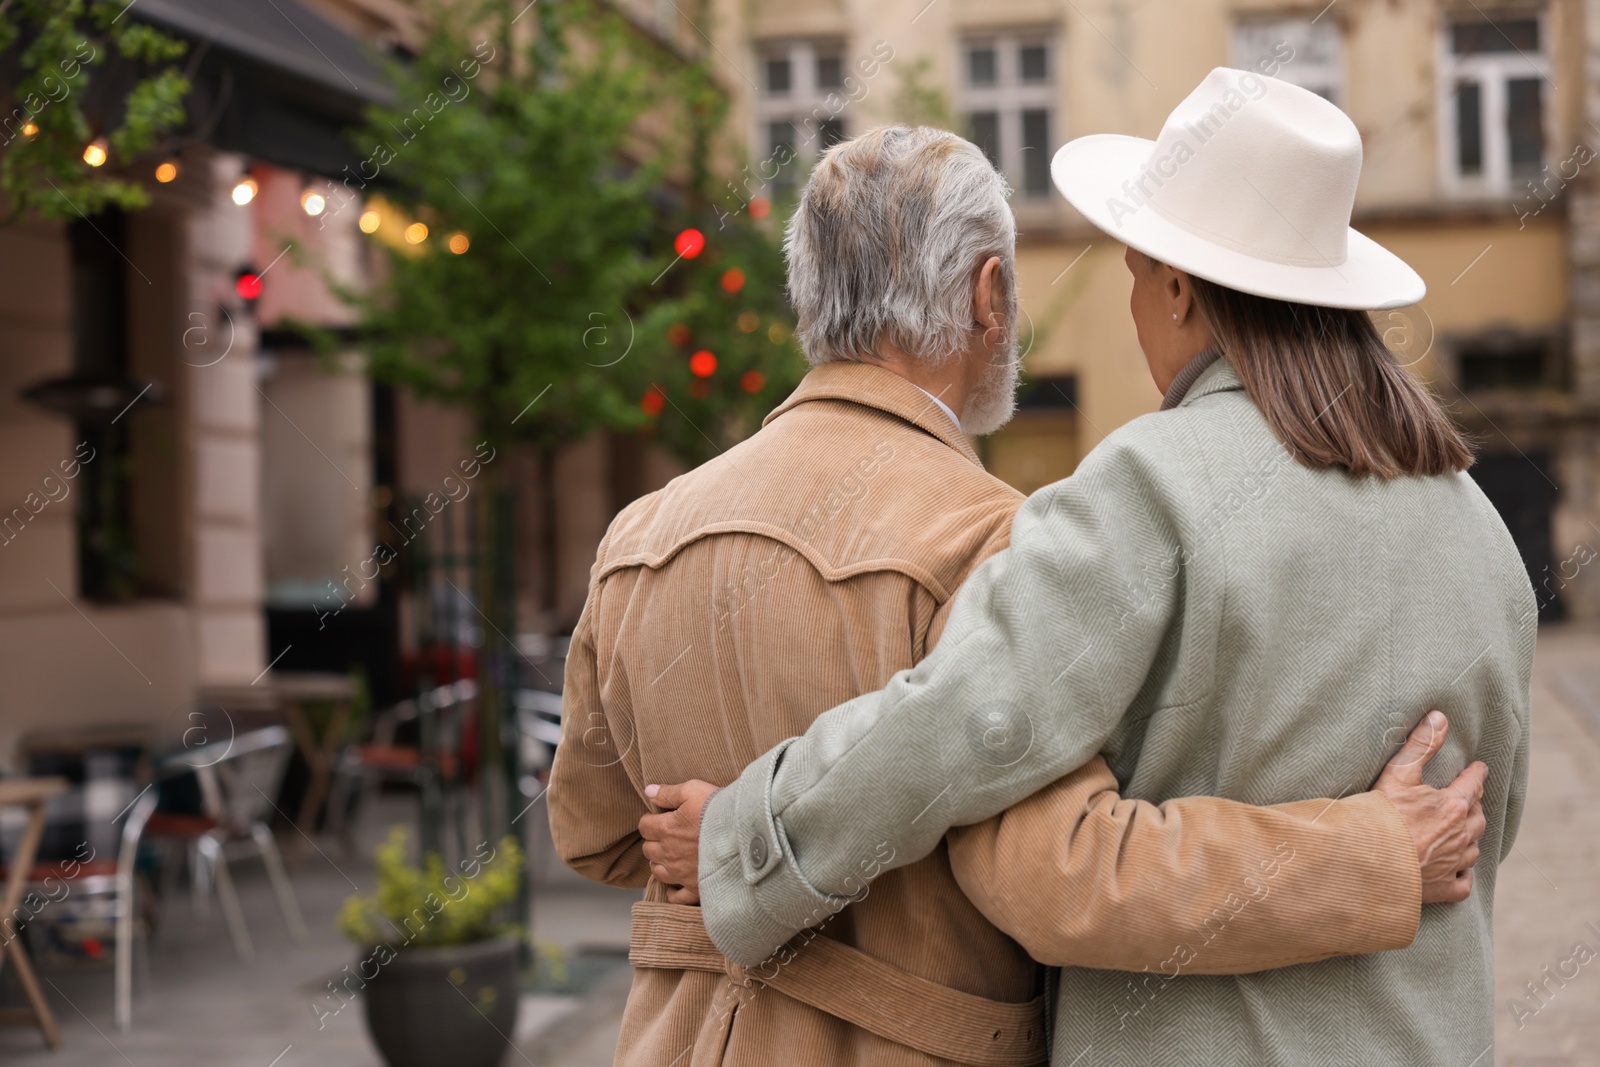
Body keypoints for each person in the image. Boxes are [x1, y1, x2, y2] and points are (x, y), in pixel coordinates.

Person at [551, 121, 1492, 1067]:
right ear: (987, 296)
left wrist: (726, 847)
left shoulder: (640, 532)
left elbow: (592, 833)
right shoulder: (1472, 525)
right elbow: (1051, 874)